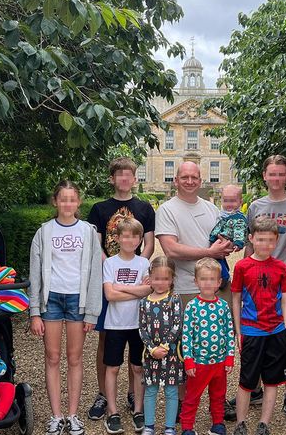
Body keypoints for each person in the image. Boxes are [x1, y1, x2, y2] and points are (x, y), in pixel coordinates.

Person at [233, 155, 286, 422]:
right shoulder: (256, 206)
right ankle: (253, 387)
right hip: (258, 283)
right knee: (255, 334)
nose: (276, 178)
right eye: (271, 174)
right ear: (264, 176)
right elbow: (249, 245)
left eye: (281, 174)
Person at [29, 180, 103, 435]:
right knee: (52, 357)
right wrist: (34, 311)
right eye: (63, 199)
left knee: (74, 358)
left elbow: (95, 273)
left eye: (72, 199)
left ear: (78, 202)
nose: (67, 204)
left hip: (76, 300)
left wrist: (92, 311)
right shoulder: (44, 232)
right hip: (51, 300)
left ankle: (72, 415)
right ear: (55, 201)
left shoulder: (88, 232)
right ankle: (56, 416)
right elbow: (35, 274)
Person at [87, 157, 156, 421]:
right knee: (107, 339)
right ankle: (103, 394)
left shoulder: (144, 208)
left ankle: (131, 392)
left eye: (129, 174)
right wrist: (111, 266)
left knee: (134, 336)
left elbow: (149, 244)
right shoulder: (99, 209)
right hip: (109, 274)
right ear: (112, 179)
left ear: (134, 178)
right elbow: (97, 245)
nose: (124, 178)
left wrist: (138, 269)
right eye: (120, 174)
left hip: (136, 276)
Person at [231, 216, 286, 435]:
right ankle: (240, 423)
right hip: (251, 331)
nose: (265, 244)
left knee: (272, 381)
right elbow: (236, 299)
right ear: (251, 238)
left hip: (276, 330)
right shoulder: (242, 266)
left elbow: (285, 300)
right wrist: (238, 330)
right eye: (260, 239)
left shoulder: (280, 267)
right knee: (246, 380)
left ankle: (264, 424)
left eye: (270, 240)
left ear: (276, 241)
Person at [156, 161, 234, 306]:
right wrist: (210, 252)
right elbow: (171, 250)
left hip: (218, 286)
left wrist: (228, 245)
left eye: (194, 177)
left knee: (225, 321)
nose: (190, 181)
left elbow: (224, 240)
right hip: (188, 288)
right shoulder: (166, 210)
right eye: (185, 177)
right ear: (176, 180)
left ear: (200, 181)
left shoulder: (212, 208)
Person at [102, 218, 152, 434]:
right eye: (125, 236)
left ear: (140, 239)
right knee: (113, 368)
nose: (129, 240)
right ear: (117, 238)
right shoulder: (110, 263)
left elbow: (148, 290)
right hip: (115, 324)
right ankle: (112, 412)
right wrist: (135, 289)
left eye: (134, 236)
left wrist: (120, 287)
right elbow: (109, 295)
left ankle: (138, 410)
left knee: (138, 367)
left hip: (138, 324)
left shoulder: (144, 263)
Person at [181, 258, 235, 435]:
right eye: (203, 279)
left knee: (218, 395)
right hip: (199, 362)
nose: (207, 283)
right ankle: (187, 426)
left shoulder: (223, 306)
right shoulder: (192, 306)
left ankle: (218, 423)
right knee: (192, 396)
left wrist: (230, 357)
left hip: (219, 362)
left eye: (212, 279)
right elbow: (186, 335)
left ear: (219, 282)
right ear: (196, 281)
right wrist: (188, 360)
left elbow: (229, 332)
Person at [138, 256, 185, 435]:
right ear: (150, 278)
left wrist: (164, 347)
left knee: (171, 391)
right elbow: (142, 328)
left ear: (172, 279)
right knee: (150, 390)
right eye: (157, 278)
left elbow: (177, 325)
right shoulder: (144, 302)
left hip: (171, 353)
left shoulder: (174, 299)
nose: (160, 282)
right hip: (151, 354)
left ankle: (169, 427)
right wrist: (152, 348)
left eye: (165, 278)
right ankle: (149, 425)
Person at [208, 185, 249, 288]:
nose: (229, 204)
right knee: (219, 260)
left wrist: (238, 243)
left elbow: (239, 231)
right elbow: (219, 226)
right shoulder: (224, 215)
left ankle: (224, 278)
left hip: (224, 241)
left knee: (218, 260)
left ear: (240, 202)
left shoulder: (238, 218)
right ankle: (225, 273)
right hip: (217, 241)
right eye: (226, 201)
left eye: (233, 201)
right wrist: (213, 236)